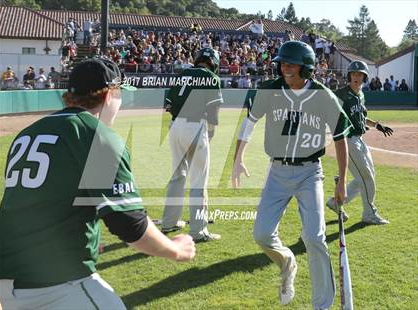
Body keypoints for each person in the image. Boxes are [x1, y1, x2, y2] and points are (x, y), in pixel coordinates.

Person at [0, 58, 195, 309]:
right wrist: (176, 250)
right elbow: (130, 226)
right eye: (120, 92)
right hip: (57, 283)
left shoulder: (29, 133)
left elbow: (36, 205)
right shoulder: (96, 135)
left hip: (7, 280)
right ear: (110, 95)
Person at [232, 41, 352, 309]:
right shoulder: (269, 90)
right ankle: (286, 261)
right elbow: (248, 123)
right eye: (282, 63)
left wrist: (342, 180)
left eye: (290, 64)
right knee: (262, 234)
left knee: (314, 237)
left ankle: (322, 304)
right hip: (277, 172)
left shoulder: (324, 96)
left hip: (310, 173)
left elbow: (341, 138)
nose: (284, 68)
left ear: (306, 68)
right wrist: (238, 158)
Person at [161, 47, 223, 242]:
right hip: (196, 126)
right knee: (198, 180)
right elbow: (214, 110)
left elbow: (168, 106)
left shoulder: (182, 74)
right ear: (213, 62)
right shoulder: (211, 78)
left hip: (175, 126)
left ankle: (169, 222)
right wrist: (210, 130)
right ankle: (198, 231)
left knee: (177, 176)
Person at [326, 61, 392, 224]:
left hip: (360, 140)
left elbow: (361, 117)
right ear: (349, 76)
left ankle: (336, 202)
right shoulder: (341, 94)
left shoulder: (360, 94)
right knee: (366, 177)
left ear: (364, 77)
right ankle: (369, 214)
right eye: (354, 74)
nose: (356, 77)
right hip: (348, 140)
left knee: (367, 175)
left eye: (360, 74)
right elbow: (329, 112)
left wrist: (376, 125)